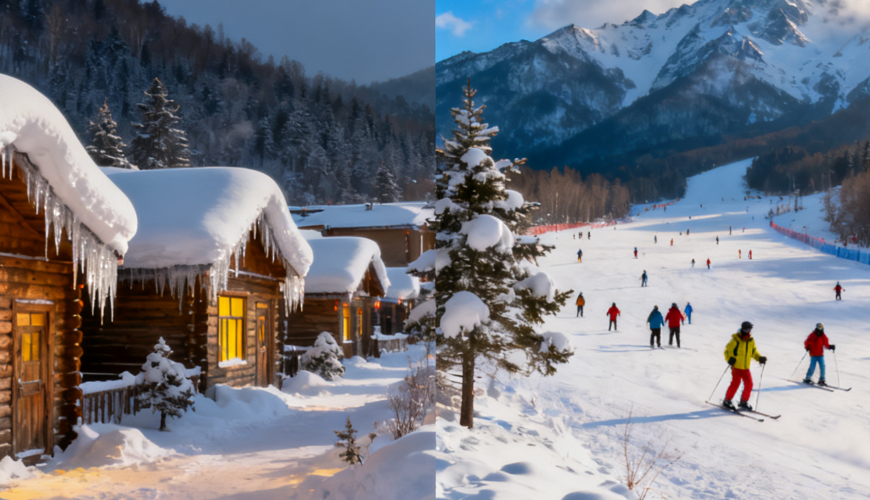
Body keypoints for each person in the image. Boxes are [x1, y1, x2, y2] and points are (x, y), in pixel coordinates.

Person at [722, 321, 767, 410]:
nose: (748, 330)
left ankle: (743, 402)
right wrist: (729, 359)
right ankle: (727, 401)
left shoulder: (750, 340)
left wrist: (760, 358)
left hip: (745, 368)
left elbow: (753, 352)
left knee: (749, 384)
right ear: (743, 328)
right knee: (735, 384)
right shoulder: (736, 339)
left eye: (749, 329)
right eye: (746, 328)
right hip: (737, 367)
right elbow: (727, 351)